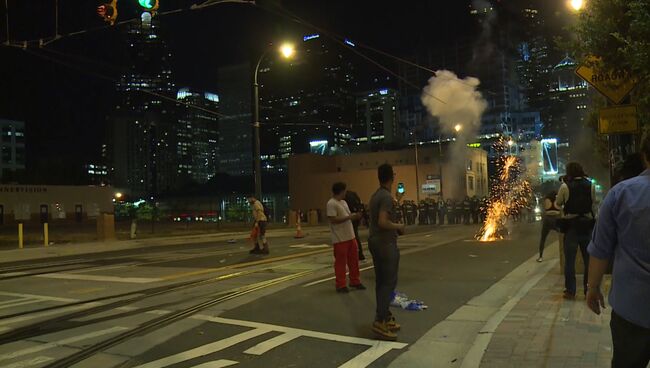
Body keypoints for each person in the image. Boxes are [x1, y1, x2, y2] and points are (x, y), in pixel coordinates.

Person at [586, 136, 650, 368]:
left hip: (631, 307)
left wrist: (592, 288)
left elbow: (601, 249)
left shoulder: (620, 194)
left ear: (644, 156)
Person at [368, 164, 405, 341]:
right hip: (385, 243)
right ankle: (380, 320)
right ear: (392, 177)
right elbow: (383, 222)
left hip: (375, 241)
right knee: (388, 282)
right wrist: (398, 226)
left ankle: (385, 315)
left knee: (381, 282)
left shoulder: (376, 195)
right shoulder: (385, 197)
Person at [555, 162, 596, 299]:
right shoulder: (590, 184)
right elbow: (594, 202)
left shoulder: (565, 186)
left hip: (571, 226)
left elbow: (558, 203)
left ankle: (570, 291)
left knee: (570, 261)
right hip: (587, 225)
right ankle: (587, 289)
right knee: (588, 260)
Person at [328, 183, 366, 293]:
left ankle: (355, 281)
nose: (346, 193)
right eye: (344, 191)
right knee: (340, 263)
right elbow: (333, 219)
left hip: (350, 236)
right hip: (340, 238)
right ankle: (341, 284)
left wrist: (354, 216)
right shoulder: (331, 203)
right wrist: (349, 217)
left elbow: (347, 216)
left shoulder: (343, 202)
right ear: (341, 191)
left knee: (354, 261)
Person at [537, 190, 561, 262]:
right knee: (563, 236)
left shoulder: (546, 200)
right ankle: (564, 254)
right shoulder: (558, 200)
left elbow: (543, 210)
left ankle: (540, 256)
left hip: (547, 219)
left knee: (543, 238)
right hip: (556, 218)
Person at [344, 190, 366, 261]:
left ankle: (356, 254)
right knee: (355, 236)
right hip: (356, 218)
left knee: (352, 237)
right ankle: (359, 254)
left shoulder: (346, 198)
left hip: (352, 218)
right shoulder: (353, 195)